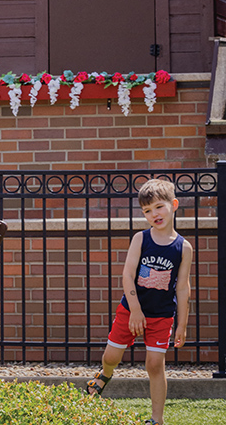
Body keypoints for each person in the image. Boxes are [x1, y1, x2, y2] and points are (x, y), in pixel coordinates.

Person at [86, 179, 193, 425]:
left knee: (155, 364)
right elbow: (127, 275)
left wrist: (182, 325)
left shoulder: (183, 247)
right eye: (147, 210)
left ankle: (157, 419)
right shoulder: (140, 239)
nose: (154, 214)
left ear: (173, 205)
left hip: (161, 316)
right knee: (111, 357)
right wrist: (135, 310)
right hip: (131, 311)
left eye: (159, 207)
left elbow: (183, 287)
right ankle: (105, 374)